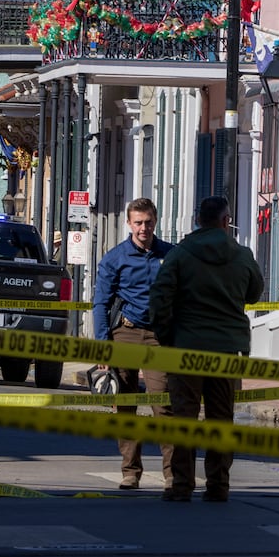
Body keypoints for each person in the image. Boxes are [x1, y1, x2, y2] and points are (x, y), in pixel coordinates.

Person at [149, 196, 263, 503]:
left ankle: (181, 484)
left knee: (184, 417)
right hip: (227, 349)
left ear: (198, 219)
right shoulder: (241, 255)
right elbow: (255, 291)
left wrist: (167, 335)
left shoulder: (181, 255)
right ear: (226, 220)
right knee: (220, 419)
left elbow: (159, 298)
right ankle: (218, 484)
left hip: (186, 347)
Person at [91, 197, 175, 491]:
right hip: (125, 334)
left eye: (148, 222)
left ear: (155, 221)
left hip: (159, 337)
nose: (143, 228)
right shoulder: (115, 258)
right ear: (129, 224)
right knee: (125, 405)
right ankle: (130, 471)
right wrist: (102, 344)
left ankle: (172, 473)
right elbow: (100, 303)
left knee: (163, 403)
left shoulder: (170, 254)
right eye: (138, 223)